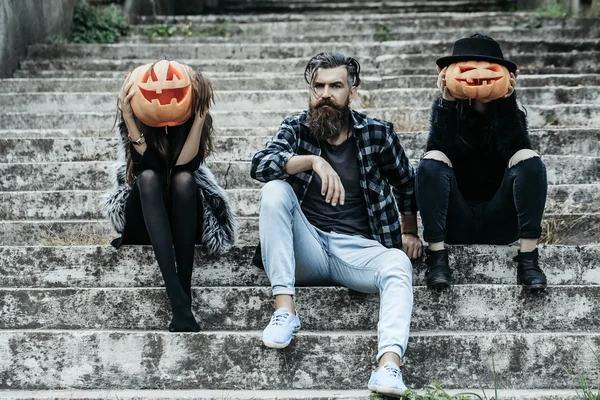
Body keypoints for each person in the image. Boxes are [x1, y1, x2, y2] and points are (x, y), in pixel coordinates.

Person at [250, 52, 421, 396]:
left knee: (398, 264)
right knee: (274, 191)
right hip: (306, 247)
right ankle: (285, 312)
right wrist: (312, 161)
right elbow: (261, 165)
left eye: (335, 86)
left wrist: (409, 230)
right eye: (319, 86)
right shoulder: (296, 127)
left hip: (356, 250)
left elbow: (406, 182)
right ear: (310, 90)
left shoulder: (377, 133)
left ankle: (388, 367)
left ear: (352, 92)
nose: (326, 93)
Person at [103, 61, 236, 332]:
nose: (163, 93)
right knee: (149, 178)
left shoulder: (194, 119)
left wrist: (199, 117)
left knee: (184, 180)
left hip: (184, 215)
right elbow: (145, 166)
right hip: (146, 218)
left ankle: (182, 297)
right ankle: (178, 299)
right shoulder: (137, 119)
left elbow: (184, 167)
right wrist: (129, 117)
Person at [416, 33, 548, 290]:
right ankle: (437, 258)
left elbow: (518, 156)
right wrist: (447, 104)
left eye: (488, 69)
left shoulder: (512, 112)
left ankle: (528, 260)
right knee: (430, 161)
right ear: (445, 73)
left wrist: (508, 103)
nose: (476, 76)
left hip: (500, 221)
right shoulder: (447, 109)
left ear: (510, 75)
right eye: (466, 69)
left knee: (529, 159)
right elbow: (437, 156)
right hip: (457, 221)